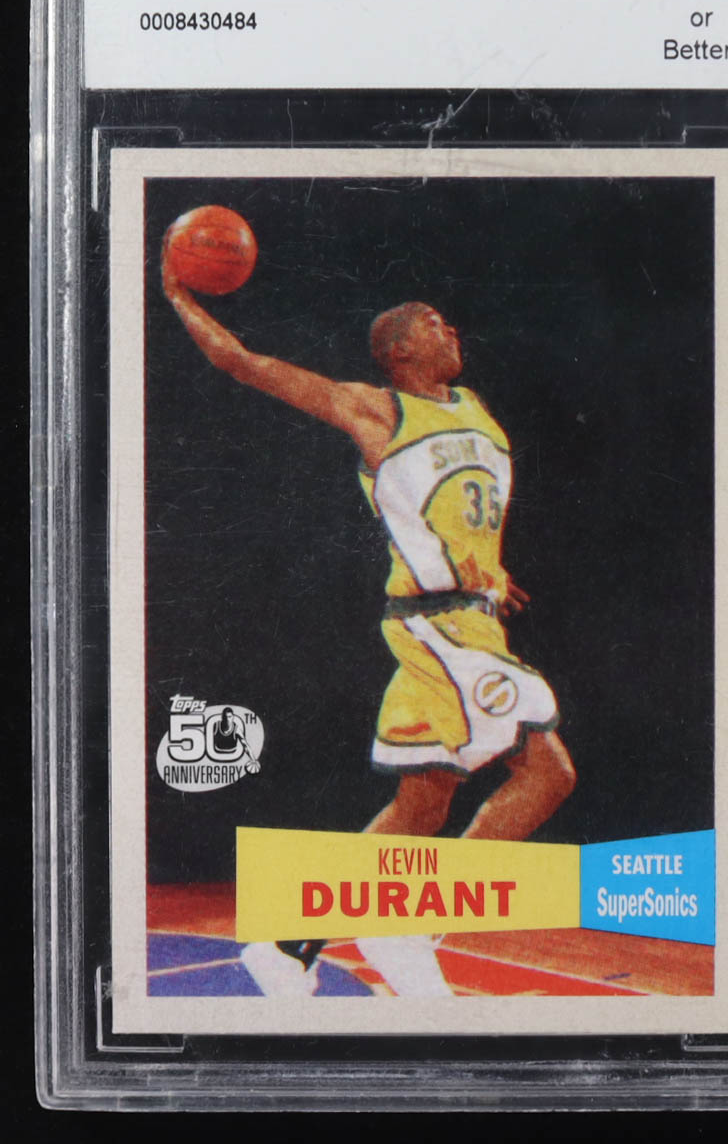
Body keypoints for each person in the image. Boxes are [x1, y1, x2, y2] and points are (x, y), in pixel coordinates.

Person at [163, 258, 576, 995]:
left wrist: (488, 570)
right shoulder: (376, 411)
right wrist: (176, 293)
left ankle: (287, 947)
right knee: (546, 771)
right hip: (436, 629)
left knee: (421, 804)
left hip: (470, 623)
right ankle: (413, 922)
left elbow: (459, 513)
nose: (451, 328)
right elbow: (241, 361)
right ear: (399, 349)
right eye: (433, 322)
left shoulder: (476, 409)